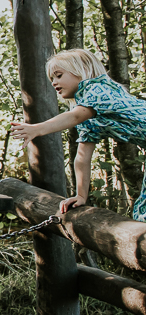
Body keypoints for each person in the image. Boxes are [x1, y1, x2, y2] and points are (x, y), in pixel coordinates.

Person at [10, 48, 146, 221]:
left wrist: (37, 128)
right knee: (143, 212)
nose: (54, 82)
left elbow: (74, 116)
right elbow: (82, 158)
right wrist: (80, 196)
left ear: (81, 71)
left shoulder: (98, 89)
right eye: (52, 78)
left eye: (58, 75)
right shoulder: (88, 115)